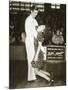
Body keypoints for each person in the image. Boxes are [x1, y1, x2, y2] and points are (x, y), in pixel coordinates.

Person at [25, 5, 50, 82]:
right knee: (31, 59)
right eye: (34, 12)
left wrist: (40, 40)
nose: (35, 14)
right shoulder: (28, 20)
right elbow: (33, 32)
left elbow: (38, 31)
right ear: (31, 11)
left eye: (37, 13)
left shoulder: (35, 21)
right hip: (30, 41)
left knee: (34, 59)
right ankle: (32, 76)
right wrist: (39, 39)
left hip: (35, 41)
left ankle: (34, 75)